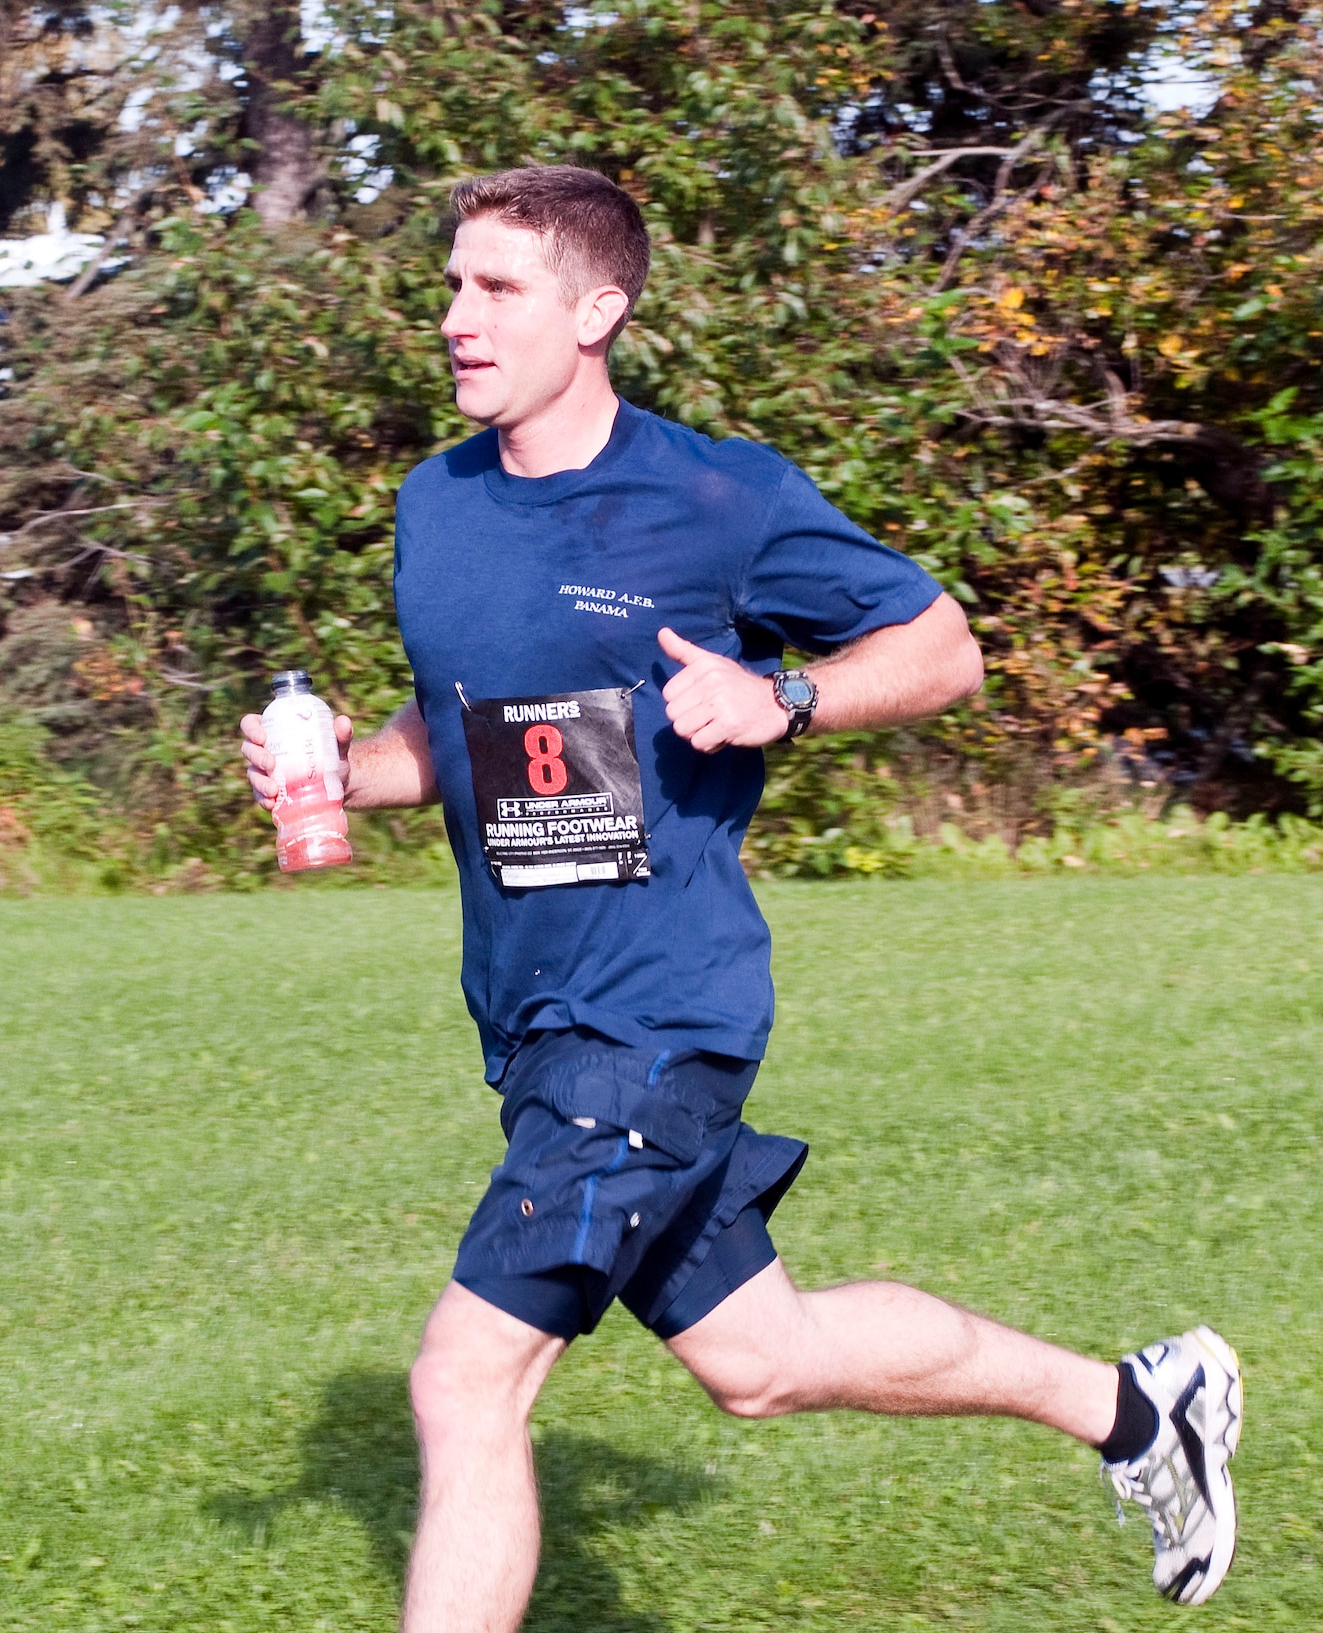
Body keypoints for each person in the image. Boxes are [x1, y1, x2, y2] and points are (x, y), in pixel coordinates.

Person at [238, 165, 1242, 1630]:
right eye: (452, 283)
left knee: (464, 1377)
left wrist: (783, 694)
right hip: (533, 1016)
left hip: (653, 1011)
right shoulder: (434, 506)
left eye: (497, 288)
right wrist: (330, 759)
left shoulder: (714, 494)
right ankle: (1145, 1408)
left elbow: (942, 649)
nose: (457, 317)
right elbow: (465, 742)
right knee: (759, 1356)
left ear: (599, 309)